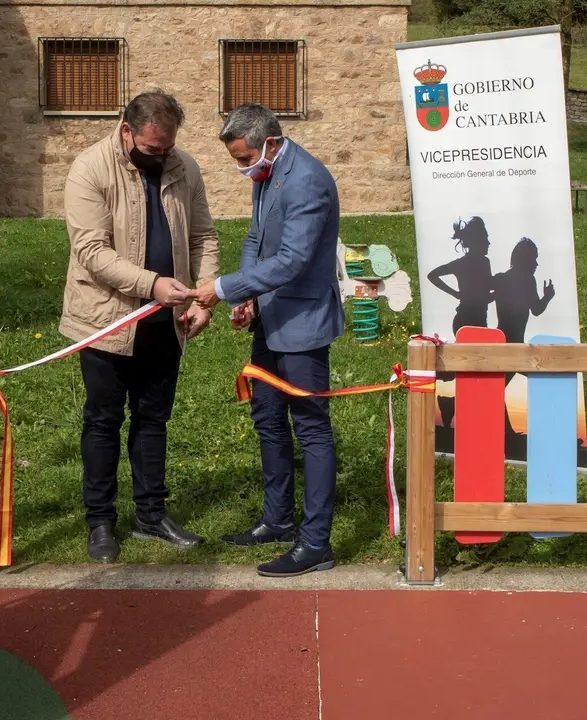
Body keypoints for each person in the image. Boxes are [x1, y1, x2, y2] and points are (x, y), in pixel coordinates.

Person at [61, 90, 220, 563]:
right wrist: (152, 285)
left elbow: (203, 235)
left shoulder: (184, 167)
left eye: (168, 147)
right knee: (103, 421)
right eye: (152, 149)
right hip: (106, 319)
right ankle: (100, 522)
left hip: (166, 322)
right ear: (127, 131)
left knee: (154, 420)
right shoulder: (89, 169)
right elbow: (91, 251)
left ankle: (151, 515)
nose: (162, 155)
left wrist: (206, 294)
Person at [190, 103, 343, 578]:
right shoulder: (271, 173)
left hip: (303, 322)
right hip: (270, 317)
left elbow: (295, 259)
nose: (243, 167)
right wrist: (250, 296)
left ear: (271, 144)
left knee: (311, 427)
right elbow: (257, 238)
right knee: (268, 419)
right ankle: (277, 520)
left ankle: (316, 542)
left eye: (244, 158)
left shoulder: (308, 181)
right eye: (237, 159)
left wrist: (220, 289)